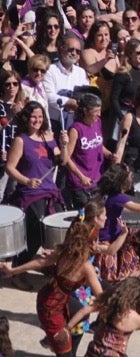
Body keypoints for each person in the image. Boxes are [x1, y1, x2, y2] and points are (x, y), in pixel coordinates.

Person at [0, 203, 106, 357]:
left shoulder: (64, 252)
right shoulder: (86, 268)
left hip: (50, 297)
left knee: (81, 314)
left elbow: (40, 262)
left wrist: (14, 271)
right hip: (51, 309)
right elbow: (100, 297)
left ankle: (52, 339)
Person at [4, 102, 68, 264]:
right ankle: (17, 269)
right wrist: (27, 181)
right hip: (30, 193)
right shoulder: (21, 140)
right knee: (37, 232)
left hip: (50, 191)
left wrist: (64, 145)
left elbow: (63, 161)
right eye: (33, 116)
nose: (37, 120)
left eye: (40, 116)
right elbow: (9, 168)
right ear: (26, 118)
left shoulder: (49, 137)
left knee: (59, 229)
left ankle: (50, 264)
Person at [63, 94, 113, 209]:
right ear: (85, 111)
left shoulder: (98, 122)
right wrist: (81, 177)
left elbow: (98, 145)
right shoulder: (75, 129)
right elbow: (67, 158)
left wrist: (109, 154)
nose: (99, 114)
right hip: (80, 184)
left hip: (96, 180)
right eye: (96, 111)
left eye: (100, 110)